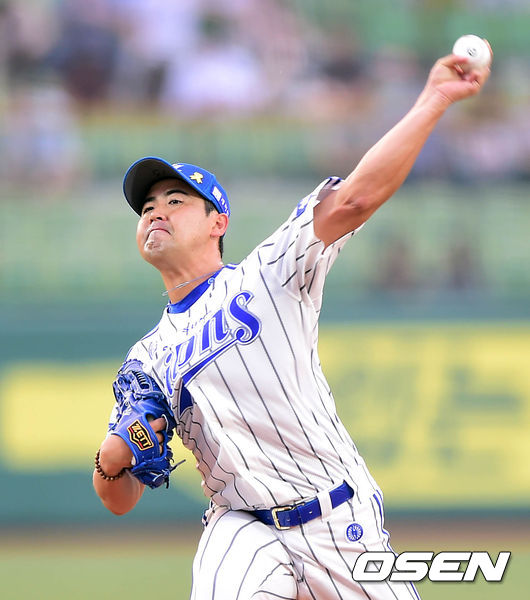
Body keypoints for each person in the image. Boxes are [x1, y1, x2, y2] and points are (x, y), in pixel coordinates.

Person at [93, 49, 491, 599]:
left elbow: (355, 199)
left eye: (175, 200)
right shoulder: (147, 360)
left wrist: (435, 99)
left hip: (337, 517)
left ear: (218, 222)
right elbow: (119, 497)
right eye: (145, 208)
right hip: (241, 526)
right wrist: (112, 460)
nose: (155, 211)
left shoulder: (267, 276)